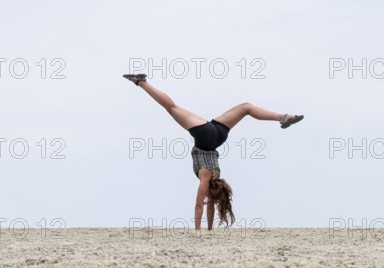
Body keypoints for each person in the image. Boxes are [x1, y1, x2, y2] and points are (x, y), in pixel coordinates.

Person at [124, 74, 304, 231]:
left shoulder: (217, 177)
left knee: (246, 107)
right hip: (206, 136)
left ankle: (283, 117)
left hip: (219, 136)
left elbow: (209, 204)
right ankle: (141, 82)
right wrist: (197, 231)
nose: (211, 201)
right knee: (171, 107)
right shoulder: (207, 178)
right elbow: (198, 205)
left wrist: (209, 231)